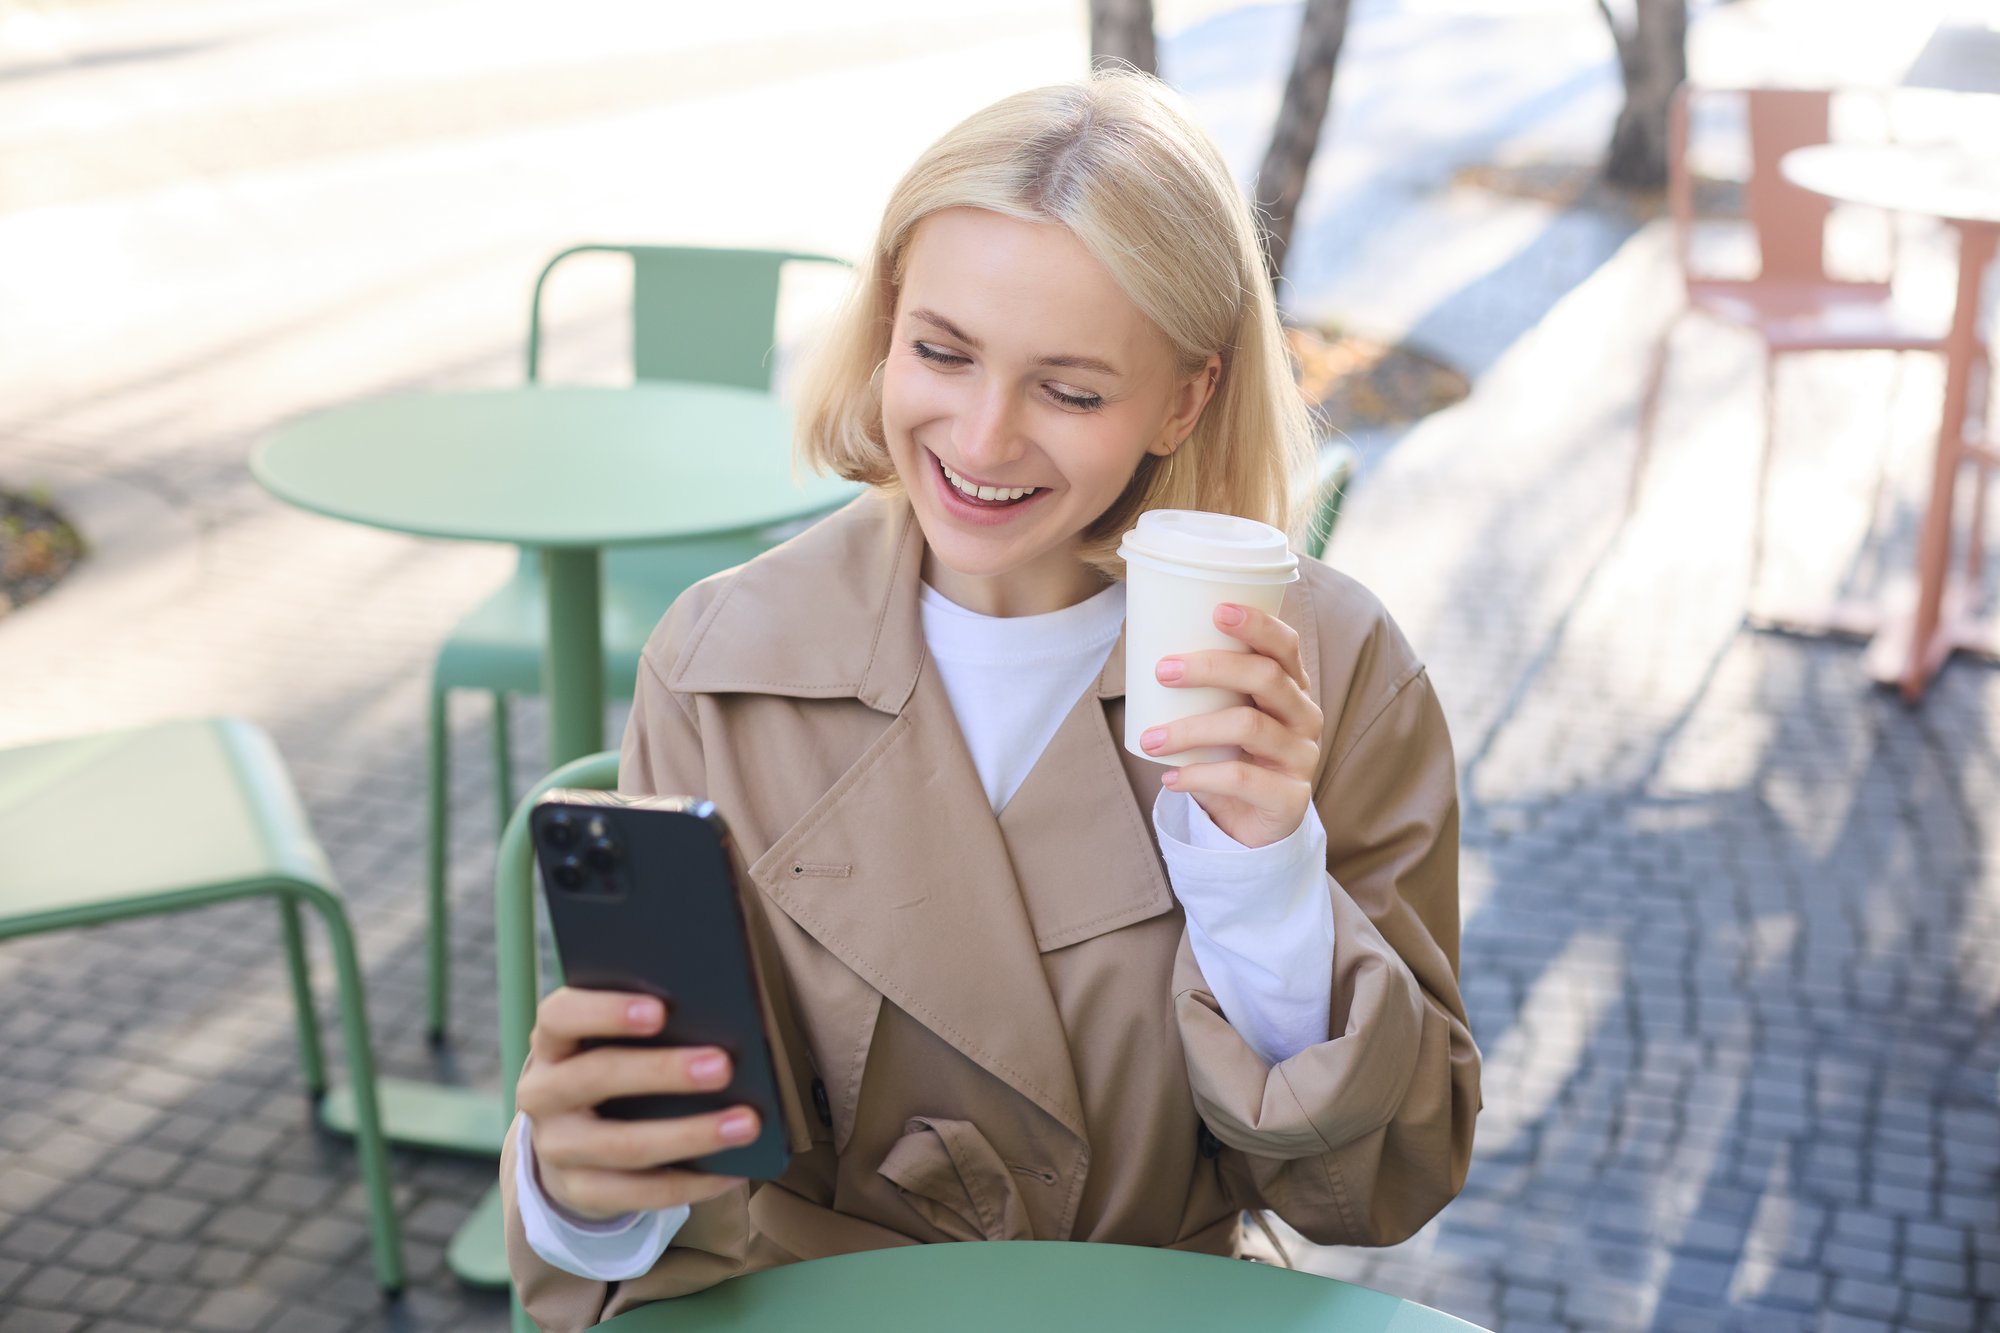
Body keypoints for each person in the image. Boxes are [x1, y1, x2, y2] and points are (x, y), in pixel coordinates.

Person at [500, 69, 1480, 1331]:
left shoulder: (1327, 670)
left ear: (1184, 395)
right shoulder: (723, 657)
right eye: (941, 352)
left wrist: (1266, 878)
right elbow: (665, 1161)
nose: (979, 437)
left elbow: (1378, 1185)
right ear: (886, 322)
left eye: (1069, 390)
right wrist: (581, 1191)